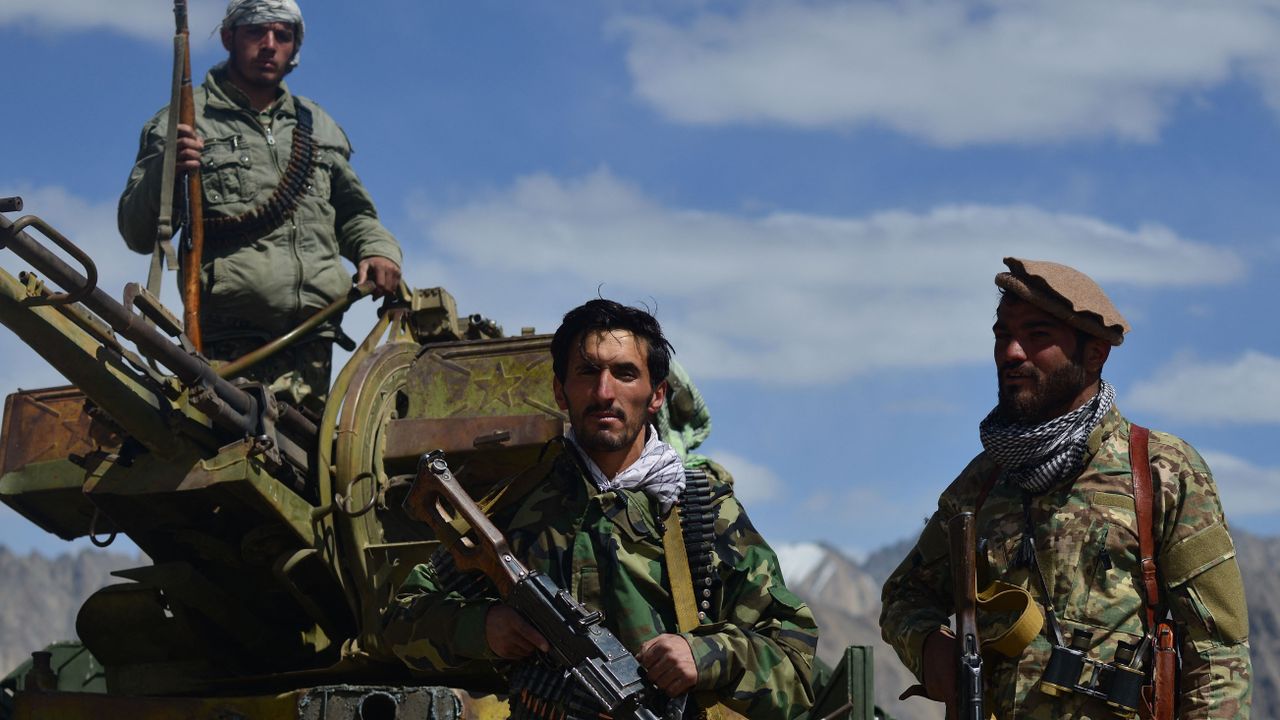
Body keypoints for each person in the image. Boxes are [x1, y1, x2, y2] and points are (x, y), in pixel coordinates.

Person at [384, 299, 817, 720]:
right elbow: (400, 620)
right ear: (560, 391)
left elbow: (795, 668)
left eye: (625, 374)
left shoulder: (704, 511)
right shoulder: (514, 509)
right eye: (587, 372)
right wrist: (483, 628)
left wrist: (704, 655)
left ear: (656, 395)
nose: (604, 392)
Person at [879, 258, 1252, 718]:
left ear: (1095, 353)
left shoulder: (1162, 472)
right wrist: (933, 650)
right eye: (1002, 335)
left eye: (1037, 336)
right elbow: (904, 596)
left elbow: (1218, 657)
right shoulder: (980, 485)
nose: (1012, 353)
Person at [118, 0, 402, 413]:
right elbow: (136, 233)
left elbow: (354, 215)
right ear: (230, 37)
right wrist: (168, 171)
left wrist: (379, 250)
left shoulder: (317, 125)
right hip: (226, 348)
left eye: (282, 35)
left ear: (294, 48)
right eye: (256, 32)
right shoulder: (183, 122)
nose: (270, 45)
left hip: (314, 342)